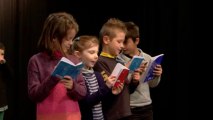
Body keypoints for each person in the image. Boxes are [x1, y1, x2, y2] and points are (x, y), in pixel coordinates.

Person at [27, 12, 86, 120]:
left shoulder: (73, 59)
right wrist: (53, 78)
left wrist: (73, 86)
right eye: (68, 39)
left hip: (72, 116)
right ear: (54, 38)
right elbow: (34, 95)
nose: (71, 43)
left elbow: (83, 92)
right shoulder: (36, 61)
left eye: (72, 39)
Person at [93, 18, 140, 120]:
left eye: (123, 42)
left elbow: (126, 90)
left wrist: (135, 81)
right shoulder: (99, 62)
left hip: (125, 112)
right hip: (113, 115)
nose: (122, 46)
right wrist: (124, 70)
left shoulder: (119, 61)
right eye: (119, 42)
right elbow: (109, 90)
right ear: (106, 40)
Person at [117, 21, 163, 120]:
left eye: (125, 42)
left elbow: (152, 84)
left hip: (146, 107)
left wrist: (157, 75)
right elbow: (120, 85)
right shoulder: (118, 60)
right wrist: (131, 71)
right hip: (128, 107)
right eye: (120, 42)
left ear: (136, 41)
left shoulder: (147, 58)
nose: (122, 46)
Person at [72, 35, 116, 120]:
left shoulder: (98, 75)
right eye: (92, 52)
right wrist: (106, 87)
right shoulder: (77, 77)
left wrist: (113, 92)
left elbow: (105, 101)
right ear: (78, 54)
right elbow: (86, 102)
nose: (96, 56)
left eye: (97, 52)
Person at [0, 42, 11, 120]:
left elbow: (10, 76)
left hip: (1, 102)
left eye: (2, 54)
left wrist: (5, 64)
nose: (1, 56)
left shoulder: (3, 67)